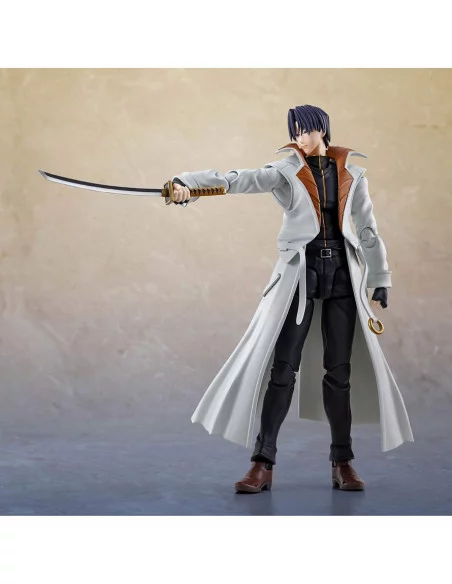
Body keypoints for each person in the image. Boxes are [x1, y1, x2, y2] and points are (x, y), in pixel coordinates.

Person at [171, 104, 413, 493]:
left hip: (343, 277)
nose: (300, 137)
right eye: (295, 131)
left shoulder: (352, 173)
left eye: (306, 129)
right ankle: (262, 463)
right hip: (301, 274)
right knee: (283, 370)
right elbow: (238, 180)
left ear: (322, 130)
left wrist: (379, 275)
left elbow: (367, 227)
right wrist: (187, 185)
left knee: (340, 373)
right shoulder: (285, 171)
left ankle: (343, 462)